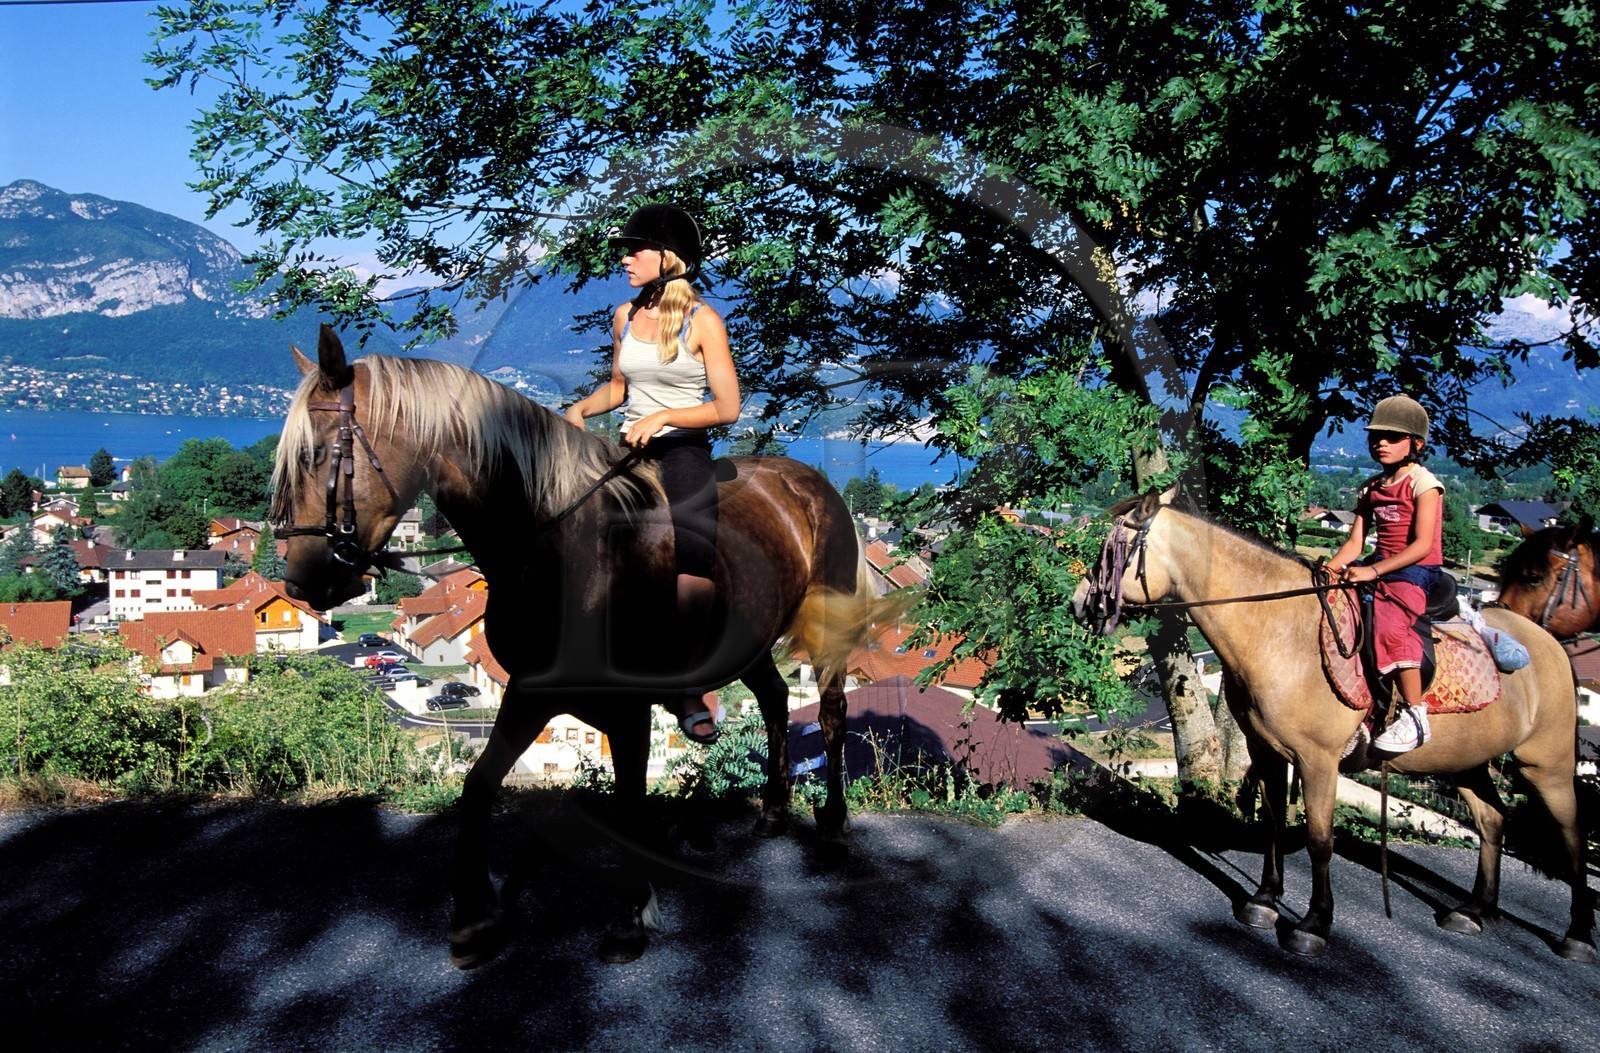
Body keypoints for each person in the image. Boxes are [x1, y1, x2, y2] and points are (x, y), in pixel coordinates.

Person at [564, 203, 740, 744]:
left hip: (682, 450)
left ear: (668, 258)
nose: (625, 257)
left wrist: (664, 416)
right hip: (628, 452)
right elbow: (619, 389)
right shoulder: (623, 315)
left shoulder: (702, 321)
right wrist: (580, 410)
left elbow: (727, 407)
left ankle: (690, 684)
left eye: (635, 248)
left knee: (692, 547)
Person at [1326, 395, 1446, 754]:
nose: (1380, 442)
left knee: (1392, 625)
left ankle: (1414, 713)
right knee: (1342, 618)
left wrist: (1372, 571)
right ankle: (1363, 711)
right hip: (1380, 565)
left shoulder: (1424, 484)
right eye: (1376, 435)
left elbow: (1423, 545)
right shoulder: (1372, 488)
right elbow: (1354, 544)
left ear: (1417, 444)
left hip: (1416, 570)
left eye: (1392, 437)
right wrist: (1329, 571)